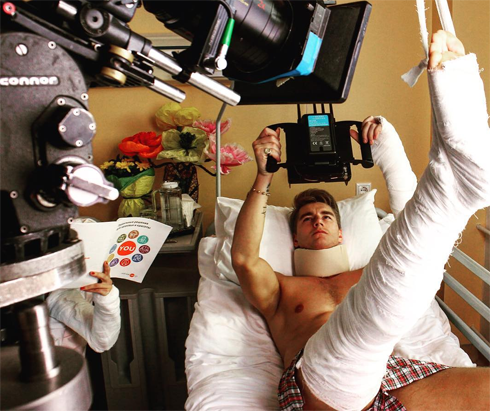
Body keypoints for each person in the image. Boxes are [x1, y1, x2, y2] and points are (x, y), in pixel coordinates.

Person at [231, 30, 490, 411]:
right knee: (366, 325)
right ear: (295, 238)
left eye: (325, 215)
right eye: (306, 218)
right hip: (321, 383)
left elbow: (411, 238)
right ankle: (451, 190)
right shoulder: (282, 289)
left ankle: (452, 188)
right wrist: (264, 176)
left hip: (393, 374)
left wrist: (388, 150)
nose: (317, 221)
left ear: (341, 232)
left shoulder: (371, 271)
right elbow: (243, 259)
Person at [47, 261, 121, 354]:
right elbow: (103, 341)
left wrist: (107, 299)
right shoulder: (62, 295)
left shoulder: (72, 292)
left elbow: (103, 341)